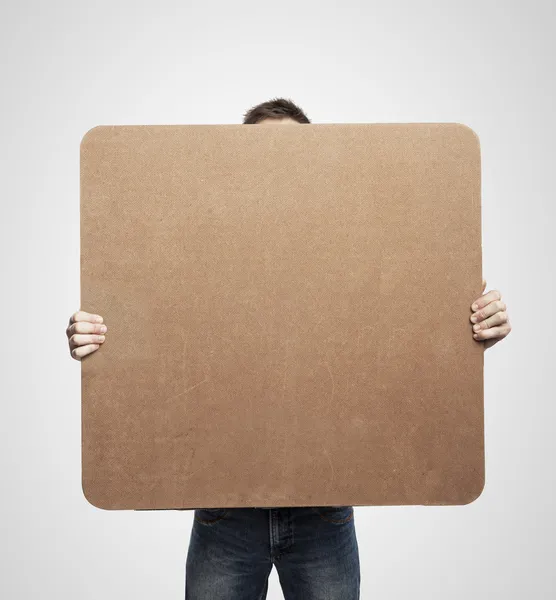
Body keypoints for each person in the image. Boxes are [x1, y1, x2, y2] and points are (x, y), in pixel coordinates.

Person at [67, 98, 512, 599]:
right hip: (223, 514)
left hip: (325, 513)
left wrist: (470, 333)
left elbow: (398, 343)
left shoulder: (353, 255)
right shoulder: (199, 257)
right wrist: (101, 343)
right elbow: (157, 330)